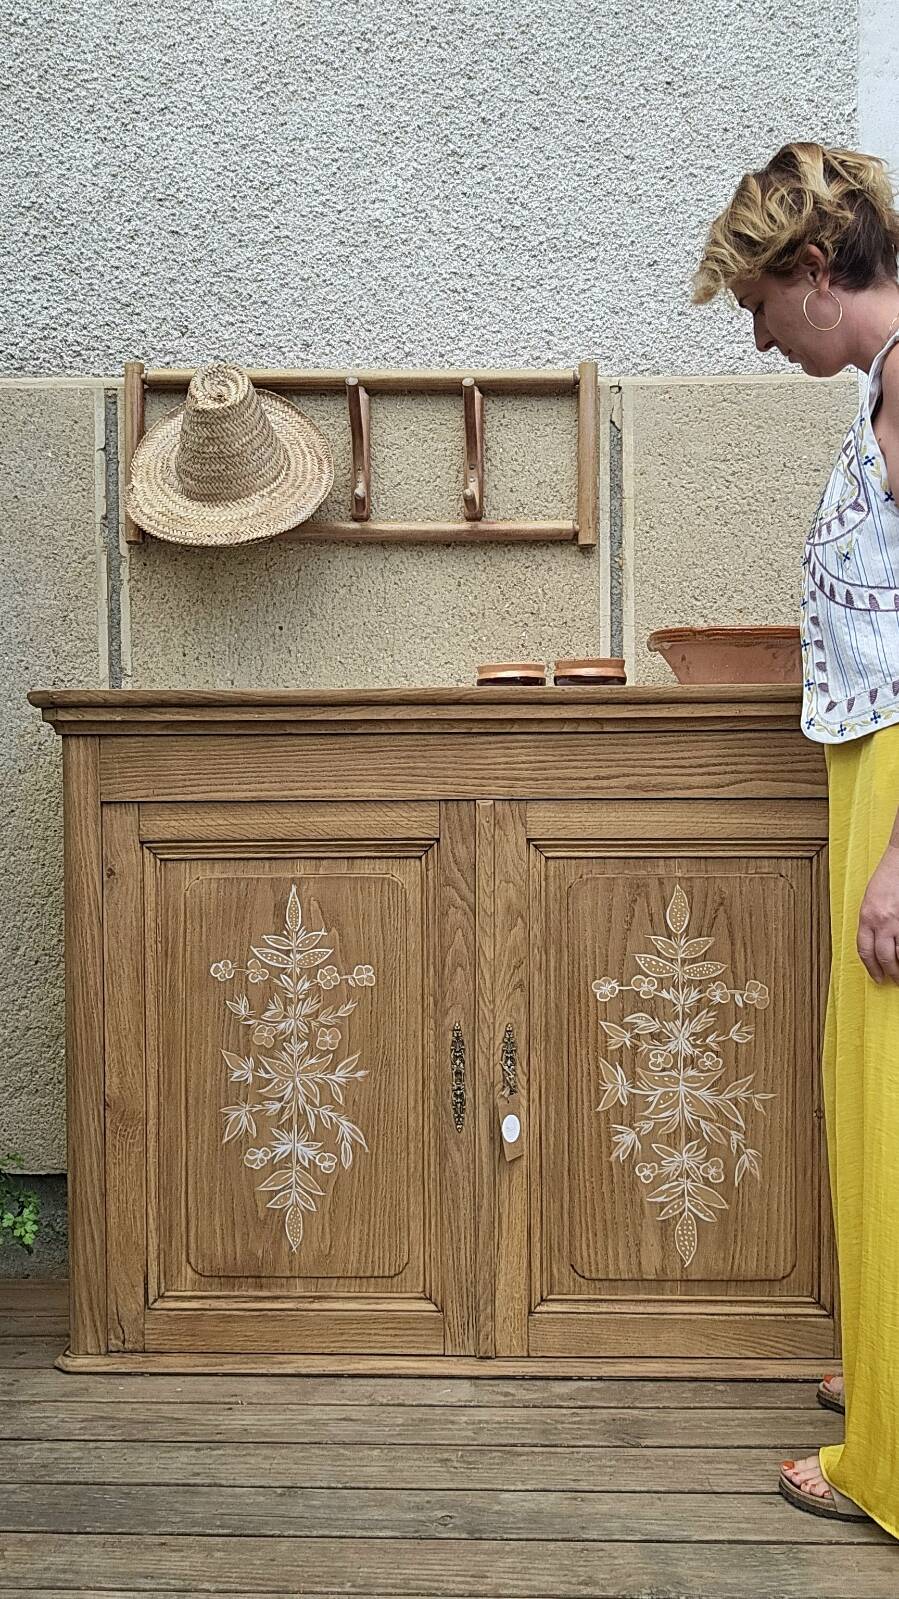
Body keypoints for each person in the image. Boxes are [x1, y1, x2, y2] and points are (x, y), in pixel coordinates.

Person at [693, 141, 899, 1537]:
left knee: (893, 1118)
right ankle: (887, 1381)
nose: (760, 334)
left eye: (761, 303)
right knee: (867, 1098)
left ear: (816, 274)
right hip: (870, 776)